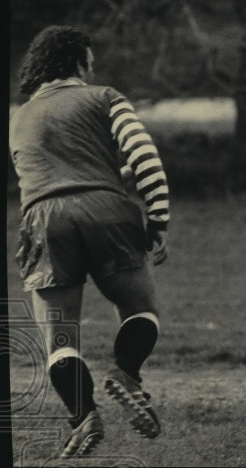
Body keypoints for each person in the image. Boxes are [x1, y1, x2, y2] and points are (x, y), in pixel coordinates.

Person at [9, 25, 169, 459]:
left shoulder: (18, 117)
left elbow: (57, 179)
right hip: (108, 212)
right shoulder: (104, 97)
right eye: (89, 63)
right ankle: (127, 374)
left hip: (42, 221)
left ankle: (83, 416)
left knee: (59, 339)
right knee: (141, 310)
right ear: (79, 62)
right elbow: (145, 156)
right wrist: (157, 219)